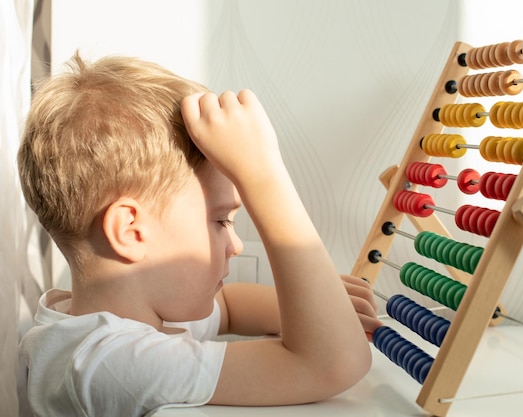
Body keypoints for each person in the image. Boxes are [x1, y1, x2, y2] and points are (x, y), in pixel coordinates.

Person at [17, 52, 383, 417]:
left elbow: (230, 307)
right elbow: (331, 365)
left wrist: (319, 302)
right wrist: (263, 176)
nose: (236, 245)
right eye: (221, 221)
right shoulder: (106, 364)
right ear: (130, 231)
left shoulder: (104, 316)